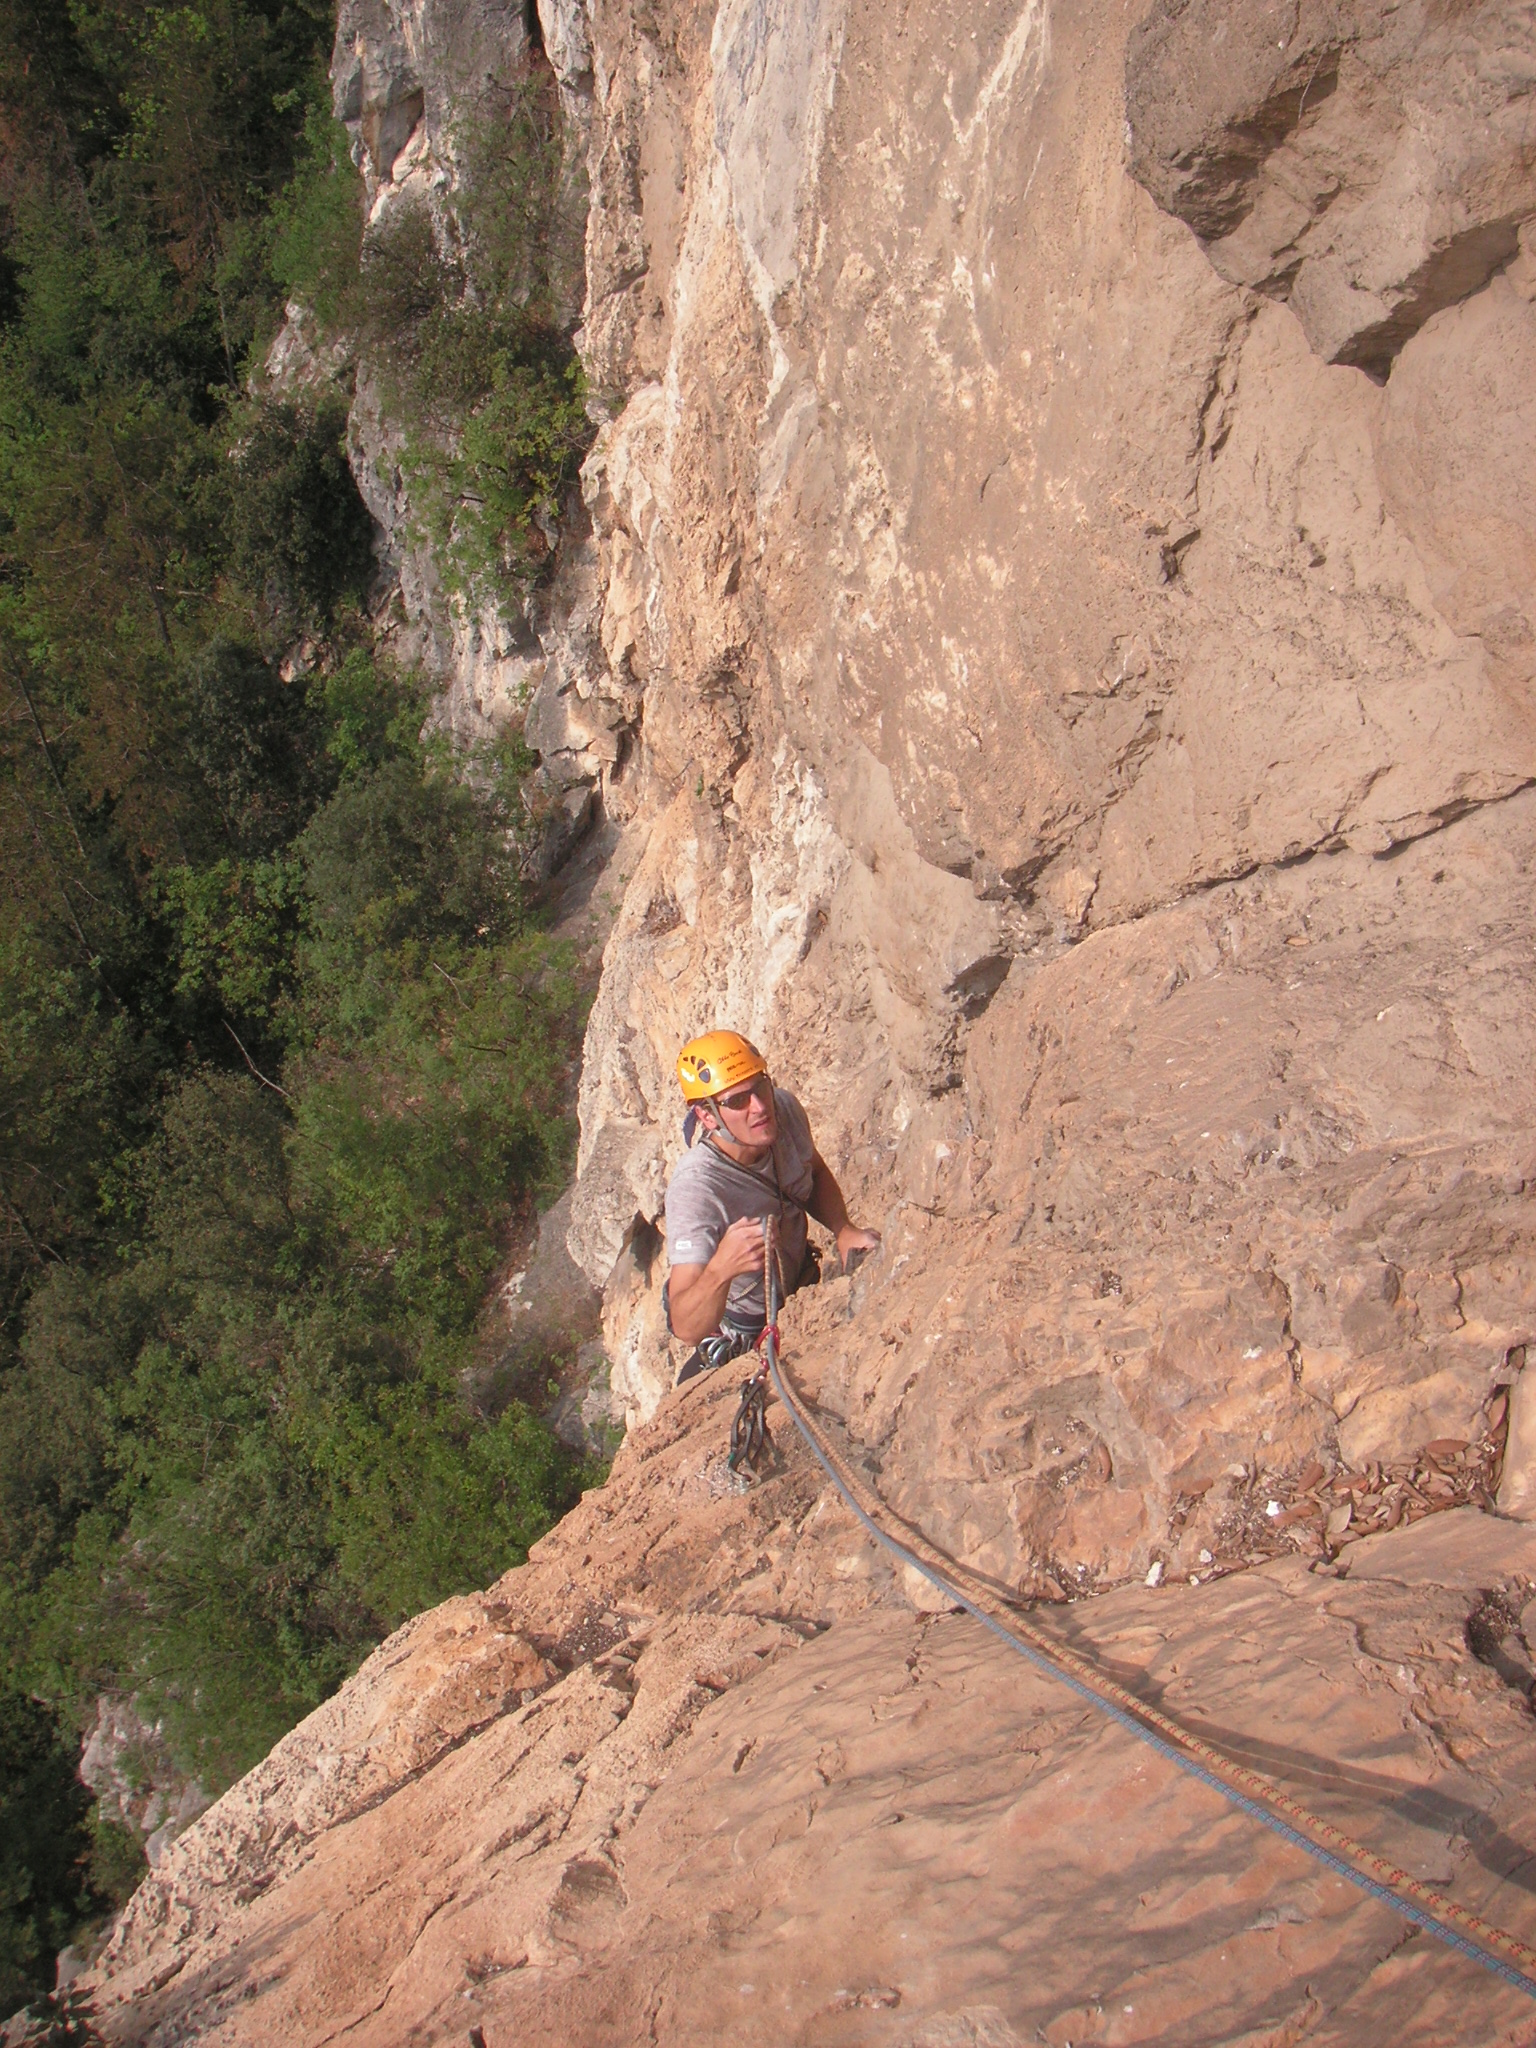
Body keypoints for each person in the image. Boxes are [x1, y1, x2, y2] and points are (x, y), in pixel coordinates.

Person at [663, 1030, 881, 1384]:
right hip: (749, 1327)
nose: (759, 1107)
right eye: (737, 1101)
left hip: (801, 1288)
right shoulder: (697, 1188)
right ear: (707, 1116)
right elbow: (685, 1326)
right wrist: (722, 1268)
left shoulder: (784, 1110)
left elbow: (812, 1170)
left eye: (760, 1086)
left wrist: (843, 1229)